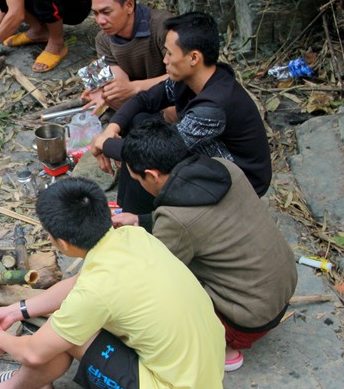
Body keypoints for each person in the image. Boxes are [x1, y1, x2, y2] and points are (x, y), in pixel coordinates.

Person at [0, 178, 225, 389]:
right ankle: (36, 382)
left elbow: (34, 352)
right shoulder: (131, 236)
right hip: (202, 378)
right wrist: (17, 310)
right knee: (67, 325)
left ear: (63, 243)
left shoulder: (95, 291)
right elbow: (77, 283)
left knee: (66, 331)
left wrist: (0, 341)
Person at [120, 117, 298, 371]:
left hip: (245, 323)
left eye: (138, 180)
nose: (140, 185)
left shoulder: (175, 219)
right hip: (280, 291)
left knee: (148, 301)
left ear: (152, 175)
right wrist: (140, 220)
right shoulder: (225, 168)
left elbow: (152, 278)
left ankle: (219, 346)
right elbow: (208, 222)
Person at [88, 11, 272, 215]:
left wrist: (104, 144)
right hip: (208, 155)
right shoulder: (190, 78)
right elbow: (144, 99)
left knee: (148, 162)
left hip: (241, 181)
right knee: (139, 122)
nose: (165, 60)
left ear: (194, 57)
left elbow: (161, 152)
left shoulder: (213, 107)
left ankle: (138, 222)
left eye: (169, 53)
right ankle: (128, 210)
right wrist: (112, 129)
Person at [81, 0, 172, 110]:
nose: (100, 21)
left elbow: (183, 76)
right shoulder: (102, 39)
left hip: (169, 96)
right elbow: (119, 82)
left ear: (129, 5)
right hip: (140, 102)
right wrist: (101, 90)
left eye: (106, 12)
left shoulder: (164, 26)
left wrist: (134, 87)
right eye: (96, 13)